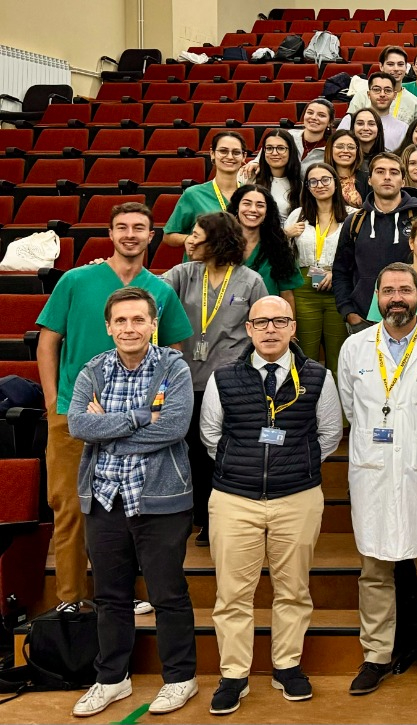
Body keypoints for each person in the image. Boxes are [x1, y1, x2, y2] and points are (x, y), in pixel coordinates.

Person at [36, 203, 191, 614]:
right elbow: (48, 340)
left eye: (139, 228)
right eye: (122, 227)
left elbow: (173, 350)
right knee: (71, 507)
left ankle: (123, 591)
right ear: (110, 233)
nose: (130, 234)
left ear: (151, 236)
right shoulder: (76, 279)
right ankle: (70, 599)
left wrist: (155, 409)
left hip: (138, 422)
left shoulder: (160, 289)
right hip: (75, 415)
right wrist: (55, 401)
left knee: (131, 506)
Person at [198, 296, 341, 714]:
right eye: (261, 322)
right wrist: (240, 468)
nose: (271, 329)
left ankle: (287, 667)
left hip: (297, 497)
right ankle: (234, 675)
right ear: (248, 329)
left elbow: (329, 433)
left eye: (280, 321)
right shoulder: (225, 377)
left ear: (294, 328)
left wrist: (298, 467)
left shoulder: (318, 376)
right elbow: (211, 435)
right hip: (233, 499)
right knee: (232, 594)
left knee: (293, 589)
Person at [66, 288, 198, 719]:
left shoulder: (173, 367)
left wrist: (109, 430)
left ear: (152, 324)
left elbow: (175, 427)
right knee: (110, 596)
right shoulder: (94, 369)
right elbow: (78, 424)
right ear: (109, 327)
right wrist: (141, 417)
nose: (129, 328)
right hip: (104, 499)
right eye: (121, 321)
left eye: (138, 320)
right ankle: (112, 679)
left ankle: (180, 678)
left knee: (167, 593)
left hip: (160, 500)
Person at [337, 264, 417, 697]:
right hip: (374, 471)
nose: (396, 298)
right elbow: (351, 411)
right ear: (376, 296)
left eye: (404, 290)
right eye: (388, 290)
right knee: (374, 570)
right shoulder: (354, 348)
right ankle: (376, 656)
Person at [164, 213, 270, 546]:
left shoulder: (250, 281)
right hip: (187, 380)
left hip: (231, 383)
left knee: (225, 451)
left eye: (196, 236)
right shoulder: (183, 273)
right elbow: (142, 289)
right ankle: (200, 515)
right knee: (194, 451)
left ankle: (222, 520)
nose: (189, 241)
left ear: (218, 240)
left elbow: (265, 326)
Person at [333, 153, 417, 333]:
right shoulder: (355, 222)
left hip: (415, 318)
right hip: (364, 320)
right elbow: (341, 271)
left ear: (403, 181)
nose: (387, 177)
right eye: (380, 171)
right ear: (369, 180)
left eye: (394, 172)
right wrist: (349, 312)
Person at [162, 132, 247, 250]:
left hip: (241, 265)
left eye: (236, 152)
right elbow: (168, 236)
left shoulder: (250, 195)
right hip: (202, 266)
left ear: (244, 156)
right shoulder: (193, 194)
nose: (230, 156)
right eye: (223, 151)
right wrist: (189, 239)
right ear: (212, 154)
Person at [229, 184, 305, 303]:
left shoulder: (279, 248)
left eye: (260, 205)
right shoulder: (221, 245)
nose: (253, 209)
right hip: (227, 318)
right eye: (247, 203)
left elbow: (287, 295)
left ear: (267, 212)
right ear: (236, 208)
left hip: (267, 319)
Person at [340, 73, 410, 150]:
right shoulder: (349, 121)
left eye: (388, 90)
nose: (382, 94)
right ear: (369, 94)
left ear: (394, 95)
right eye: (376, 90)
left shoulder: (403, 128)